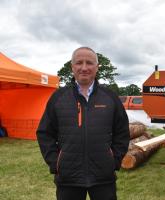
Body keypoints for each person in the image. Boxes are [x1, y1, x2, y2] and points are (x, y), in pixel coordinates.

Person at [37, 47, 130, 200]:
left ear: (97, 67)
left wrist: (114, 160)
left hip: (103, 178)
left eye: (90, 63)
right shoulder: (58, 97)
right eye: (79, 63)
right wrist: (56, 162)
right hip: (68, 178)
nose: (84, 68)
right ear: (72, 67)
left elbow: (122, 132)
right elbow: (44, 133)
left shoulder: (110, 97)